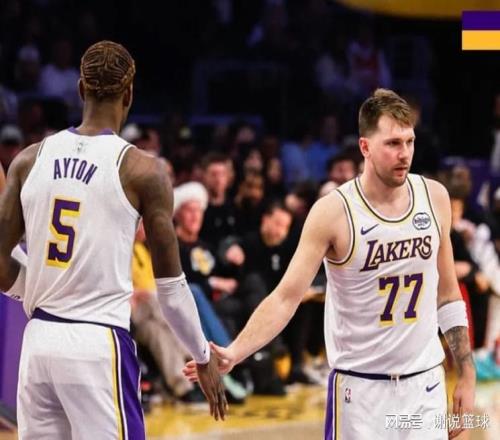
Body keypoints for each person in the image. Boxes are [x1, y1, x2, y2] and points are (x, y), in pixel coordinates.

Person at [185, 89, 476, 439]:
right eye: (393, 143)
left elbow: (448, 294)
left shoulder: (434, 196)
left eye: (409, 141)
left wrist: (466, 373)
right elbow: (286, 297)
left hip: (425, 385)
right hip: (361, 392)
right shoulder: (333, 211)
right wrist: (234, 352)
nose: (405, 154)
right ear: (365, 147)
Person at [0, 40, 226, 440]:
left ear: (80, 89)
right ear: (129, 94)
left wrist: (38, 287)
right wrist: (203, 355)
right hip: (97, 343)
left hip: (38, 343)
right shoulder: (143, 171)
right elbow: (171, 289)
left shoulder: (28, 160)